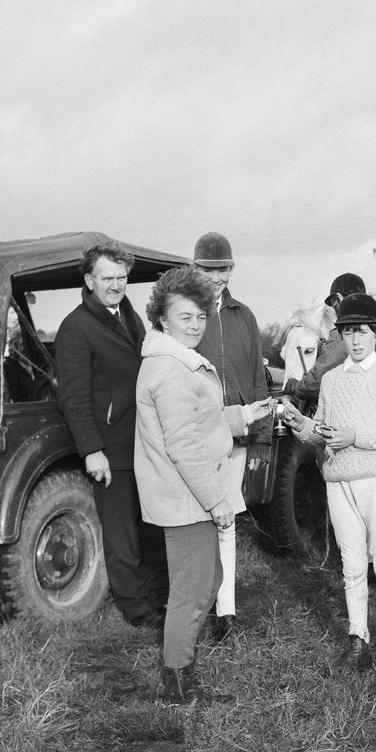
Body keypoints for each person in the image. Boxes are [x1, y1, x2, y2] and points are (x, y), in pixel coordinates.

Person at [135, 267, 274, 704]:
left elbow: (201, 422)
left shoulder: (178, 360)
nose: (195, 325)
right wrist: (217, 501)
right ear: (163, 320)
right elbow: (184, 446)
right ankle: (177, 681)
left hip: (189, 494)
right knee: (191, 592)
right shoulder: (171, 369)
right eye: (185, 317)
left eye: (200, 317)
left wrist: (245, 414)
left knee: (208, 579)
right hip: (186, 498)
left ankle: (180, 665)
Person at [280, 293, 376, 670]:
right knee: (352, 564)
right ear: (339, 335)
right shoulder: (331, 380)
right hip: (338, 482)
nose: (355, 340)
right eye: (348, 332)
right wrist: (302, 424)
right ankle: (358, 638)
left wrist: (356, 436)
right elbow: (323, 434)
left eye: (363, 332)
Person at [55, 240, 168, 629]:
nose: (116, 285)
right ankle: (136, 609)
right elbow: (73, 398)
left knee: (151, 525)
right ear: (90, 281)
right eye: (107, 278)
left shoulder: (130, 316)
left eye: (121, 277)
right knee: (122, 535)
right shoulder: (75, 328)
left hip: (144, 442)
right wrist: (92, 450)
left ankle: (160, 597)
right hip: (110, 449)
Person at [192, 232, 270, 644]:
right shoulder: (185, 315)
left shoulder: (245, 316)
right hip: (194, 433)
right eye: (209, 270)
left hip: (237, 434)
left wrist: (261, 439)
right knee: (193, 521)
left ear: (232, 269)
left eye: (223, 270)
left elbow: (258, 379)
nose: (217, 278)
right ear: (194, 269)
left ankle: (226, 612)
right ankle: (193, 605)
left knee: (226, 521)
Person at [284, 272, 376, 402]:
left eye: (333, 303)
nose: (334, 309)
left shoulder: (343, 334)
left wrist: (295, 387)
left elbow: (319, 381)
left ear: (338, 299)